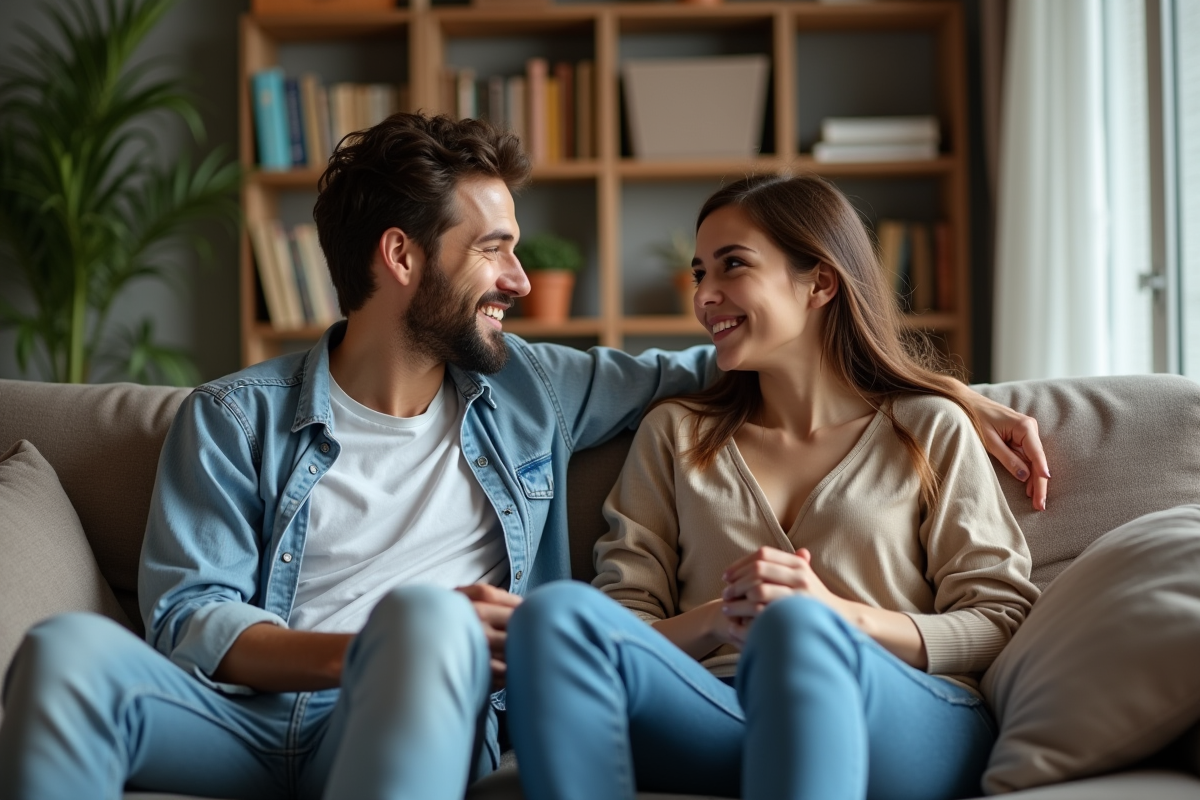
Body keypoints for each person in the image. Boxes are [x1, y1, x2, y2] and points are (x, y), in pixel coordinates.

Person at [0, 117, 1046, 800]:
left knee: (421, 622)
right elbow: (189, 617)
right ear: (401, 258)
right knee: (59, 650)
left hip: (429, 692)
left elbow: (751, 351)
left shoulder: (532, 388)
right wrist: (348, 650)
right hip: (250, 714)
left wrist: (948, 395)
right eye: (494, 247)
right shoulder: (233, 418)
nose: (520, 277)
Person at [506, 174, 1044, 800]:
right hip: (718, 711)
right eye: (699, 272)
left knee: (796, 631)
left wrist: (837, 620)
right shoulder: (674, 434)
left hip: (901, 714)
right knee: (554, 616)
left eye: (732, 265)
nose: (705, 295)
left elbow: (1000, 616)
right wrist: (722, 619)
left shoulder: (929, 427)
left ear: (819, 281)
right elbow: (624, 625)